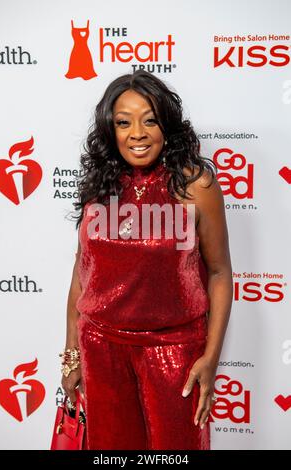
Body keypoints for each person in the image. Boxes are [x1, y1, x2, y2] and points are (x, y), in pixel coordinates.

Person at [60, 70, 233, 450]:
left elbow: (219, 273)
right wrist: (72, 354)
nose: (137, 133)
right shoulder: (100, 184)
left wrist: (210, 358)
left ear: (166, 125)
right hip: (101, 347)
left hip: (173, 348)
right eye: (124, 122)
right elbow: (81, 272)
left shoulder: (194, 186)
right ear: (111, 130)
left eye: (149, 119)